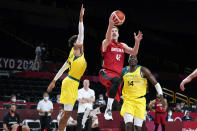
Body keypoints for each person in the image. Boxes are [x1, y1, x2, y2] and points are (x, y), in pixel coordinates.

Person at [47, 4, 86, 131]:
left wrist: (54, 80)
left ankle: (61, 129)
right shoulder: (75, 51)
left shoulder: (74, 53)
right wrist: (80, 19)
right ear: (76, 43)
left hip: (71, 83)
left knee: (67, 113)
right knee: (68, 113)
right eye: (79, 41)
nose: (81, 42)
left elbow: (63, 67)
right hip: (70, 83)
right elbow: (81, 33)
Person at [99, 12, 143, 120]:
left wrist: (137, 42)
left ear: (118, 34)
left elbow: (133, 52)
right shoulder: (106, 42)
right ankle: (107, 109)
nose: (114, 32)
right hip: (106, 73)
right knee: (116, 80)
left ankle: (96, 111)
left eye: (115, 31)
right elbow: (107, 37)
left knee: (116, 103)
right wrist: (110, 24)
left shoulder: (122, 45)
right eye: (112, 31)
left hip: (117, 77)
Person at [120, 55, 165, 131]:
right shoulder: (124, 71)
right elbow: (118, 84)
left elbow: (156, 83)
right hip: (128, 101)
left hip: (140, 101)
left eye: (134, 58)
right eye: (130, 58)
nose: (132, 59)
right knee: (128, 125)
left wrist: (161, 97)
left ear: (137, 61)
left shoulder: (143, 70)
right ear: (128, 61)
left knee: (137, 128)